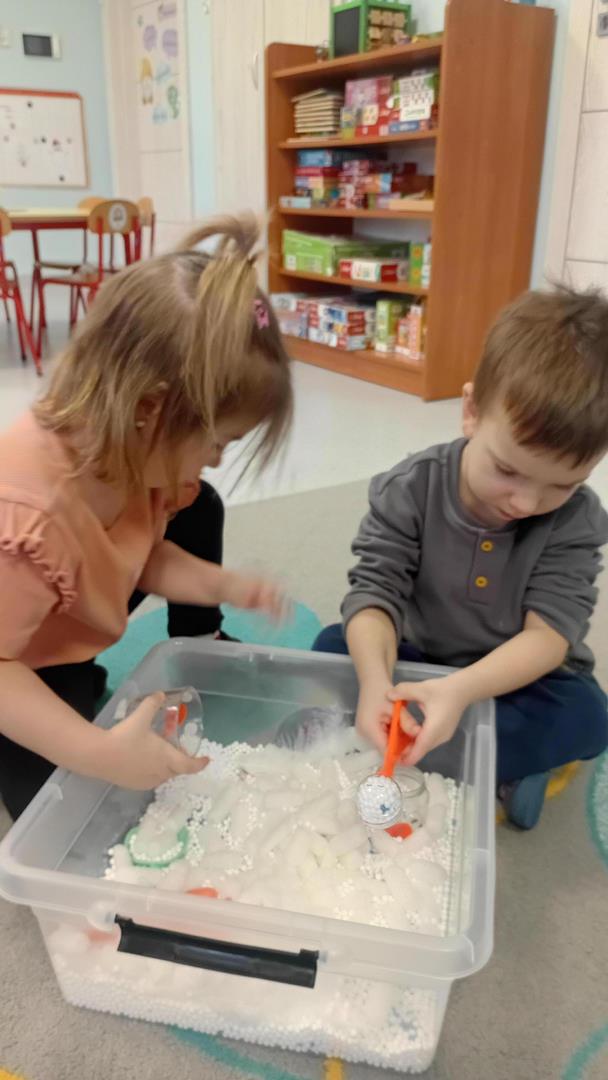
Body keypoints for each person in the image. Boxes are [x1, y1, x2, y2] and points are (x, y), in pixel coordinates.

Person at [0, 214, 292, 820]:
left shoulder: (135, 450)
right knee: (61, 807)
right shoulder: (29, 516)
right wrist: (98, 753)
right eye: (218, 442)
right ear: (148, 409)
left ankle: (171, 644)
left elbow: (142, 552)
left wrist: (220, 585)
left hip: (63, 622)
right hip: (14, 658)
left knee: (200, 504)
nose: (216, 460)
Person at [314, 287, 608, 828]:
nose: (525, 503)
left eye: (561, 485)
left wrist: (459, 691)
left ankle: (425, 749)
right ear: (471, 412)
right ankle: (466, 756)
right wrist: (377, 683)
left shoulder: (576, 520)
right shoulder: (410, 488)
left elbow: (548, 639)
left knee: (588, 717)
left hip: (510, 677)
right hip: (418, 655)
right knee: (333, 648)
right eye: (508, 471)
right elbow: (374, 594)